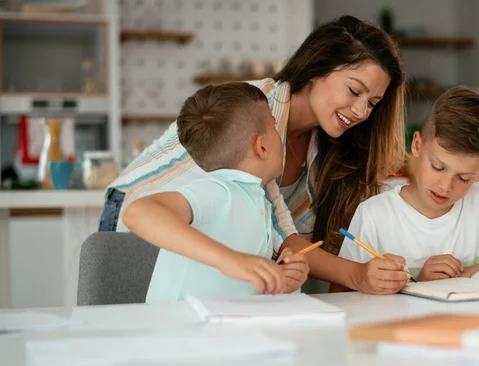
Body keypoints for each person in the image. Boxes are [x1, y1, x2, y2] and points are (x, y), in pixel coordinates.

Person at [102, 15, 411, 294]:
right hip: (141, 219)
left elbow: (282, 231)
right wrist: (233, 261)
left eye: (373, 103)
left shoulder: (326, 144)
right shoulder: (255, 111)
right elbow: (142, 213)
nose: (361, 111)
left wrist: (355, 274)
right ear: (318, 69)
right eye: (355, 91)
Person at [339, 86, 479, 281]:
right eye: (438, 167)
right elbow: (342, 295)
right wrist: (419, 282)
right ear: (417, 146)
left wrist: (477, 271)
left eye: (464, 178)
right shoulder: (374, 215)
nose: (445, 186)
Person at [123, 83, 309, 303]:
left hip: (221, 330)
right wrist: (229, 260)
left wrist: (282, 277)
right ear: (262, 147)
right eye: (274, 127)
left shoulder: (259, 203)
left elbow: (243, 284)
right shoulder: (218, 191)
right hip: (177, 331)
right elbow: (137, 213)